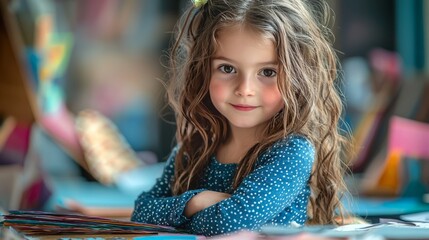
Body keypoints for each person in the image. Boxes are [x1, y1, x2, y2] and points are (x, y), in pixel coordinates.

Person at [131, 0, 350, 236]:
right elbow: (141, 212)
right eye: (227, 68)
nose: (245, 89)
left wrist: (175, 217)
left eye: (268, 72)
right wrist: (197, 200)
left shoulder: (291, 152)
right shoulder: (196, 148)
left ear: (298, 77)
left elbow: (232, 222)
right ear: (203, 70)